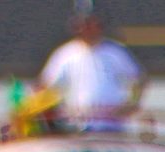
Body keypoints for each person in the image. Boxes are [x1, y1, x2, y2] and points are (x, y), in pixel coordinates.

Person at [38, 4, 146, 132]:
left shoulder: (116, 52)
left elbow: (138, 81)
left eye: (90, 24)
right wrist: (55, 112)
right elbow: (45, 86)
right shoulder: (64, 54)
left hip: (111, 127)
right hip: (77, 127)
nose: (86, 28)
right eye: (82, 24)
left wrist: (130, 105)